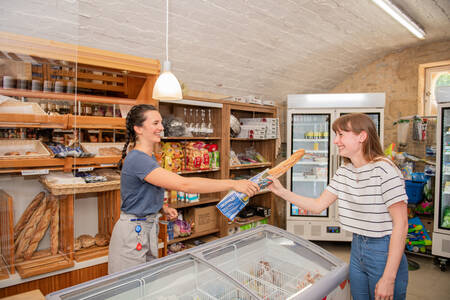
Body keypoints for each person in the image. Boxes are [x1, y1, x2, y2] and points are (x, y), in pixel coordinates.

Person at [268, 113, 408, 300]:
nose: (335, 141)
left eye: (341, 134)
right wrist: (282, 191)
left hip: (383, 249)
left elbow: (401, 224)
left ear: (362, 136)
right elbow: (318, 206)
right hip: (358, 248)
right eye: (336, 135)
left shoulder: (385, 170)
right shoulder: (345, 171)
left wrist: (389, 278)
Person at [108, 104, 259, 274]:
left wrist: (161, 208)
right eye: (156, 123)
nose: (162, 127)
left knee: (145, 285)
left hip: (146, 228)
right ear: (138, 129)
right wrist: (233, 184)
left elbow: (140, 193)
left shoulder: (148, 157)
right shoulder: (138, 159)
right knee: (129, 289)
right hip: (132, 233)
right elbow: (184, 185)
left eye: (161, 123)